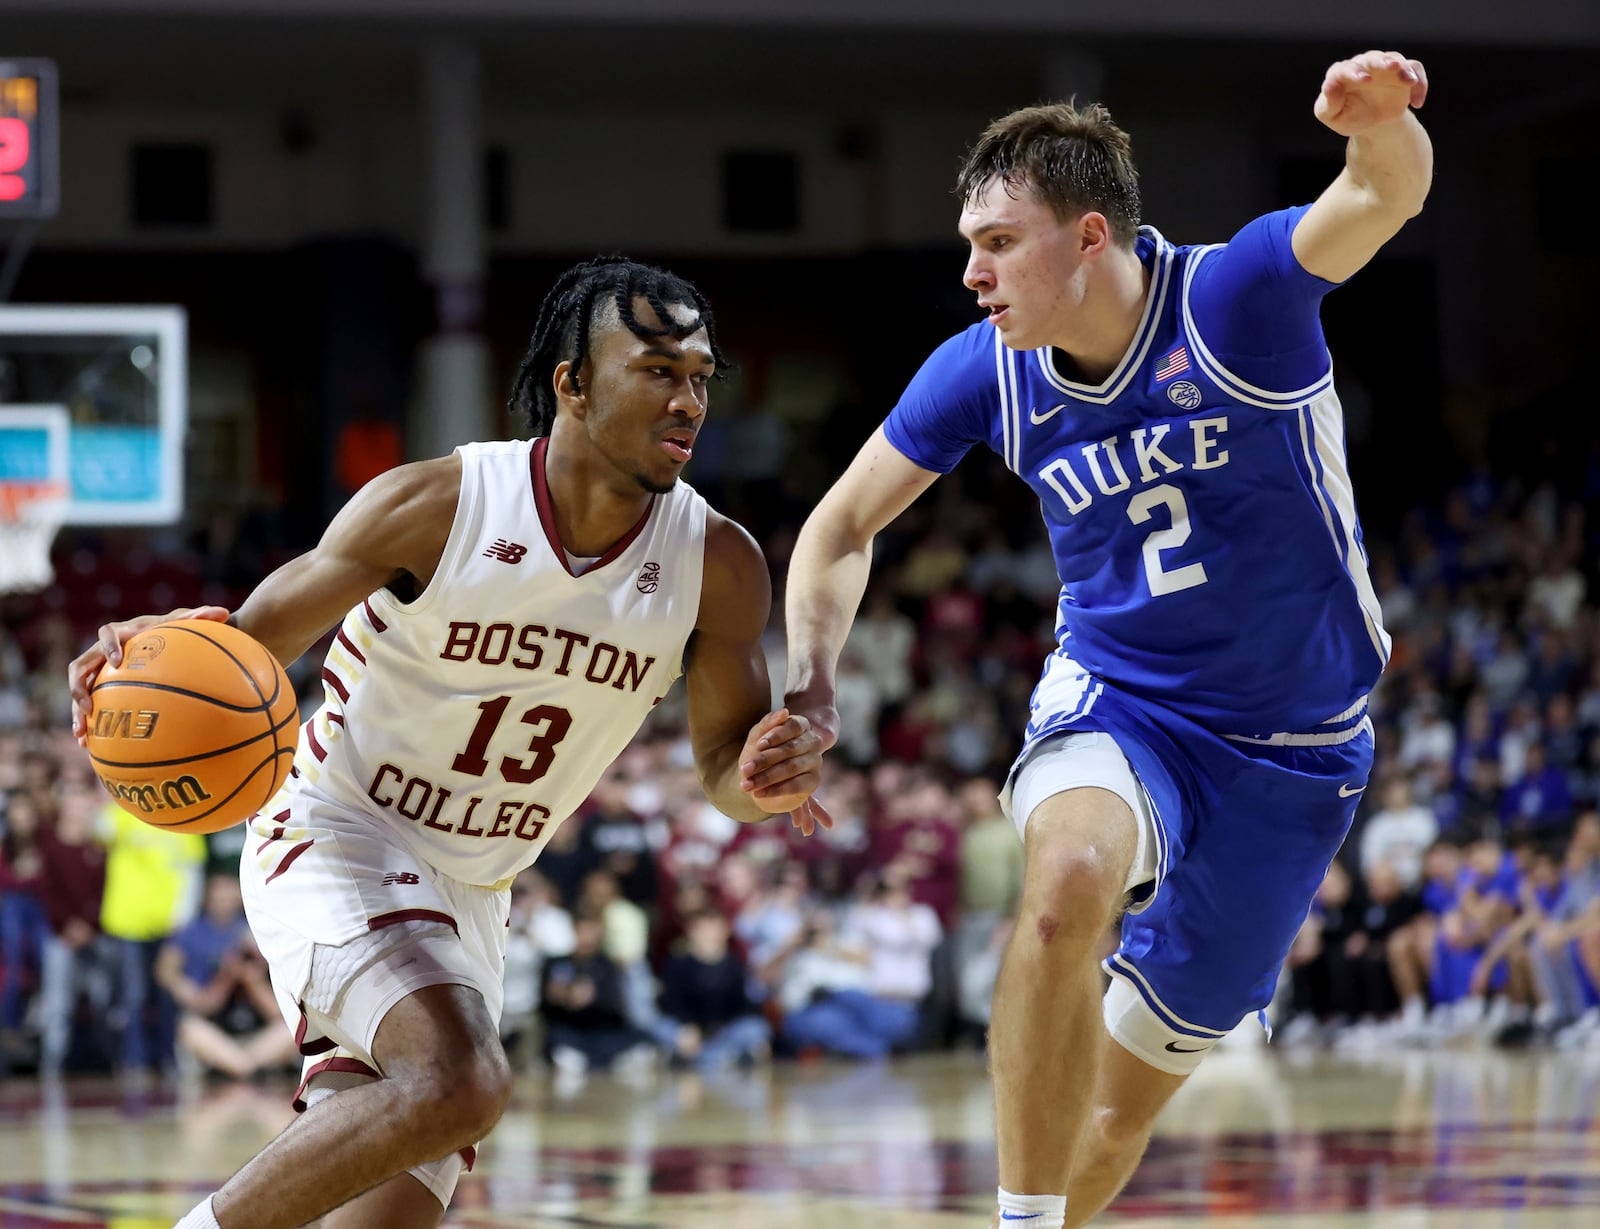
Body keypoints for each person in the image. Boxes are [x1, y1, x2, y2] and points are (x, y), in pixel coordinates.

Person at [744, 50, 1433, 1228]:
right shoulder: (987, 373)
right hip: (1125, 700)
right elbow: (838, 526)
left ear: (1091, 236)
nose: (972, 273)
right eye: (969, 243)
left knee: (1114, 1120)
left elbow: (1381, 198)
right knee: (1063, 880)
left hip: (1298, 745)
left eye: (999, 242)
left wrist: (1379, 129)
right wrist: (809, 685)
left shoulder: (1233, 300)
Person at [68, 256, 829, 1229]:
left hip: (473, 891)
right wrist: (145, 656)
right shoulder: (438, 504)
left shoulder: (717, 565)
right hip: (336, 833)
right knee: (463, 1078)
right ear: (573, 382)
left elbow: (725, 770)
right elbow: (242, 651)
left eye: (700, 376)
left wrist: (764, 777)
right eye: (656, 370)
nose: (688, 400)